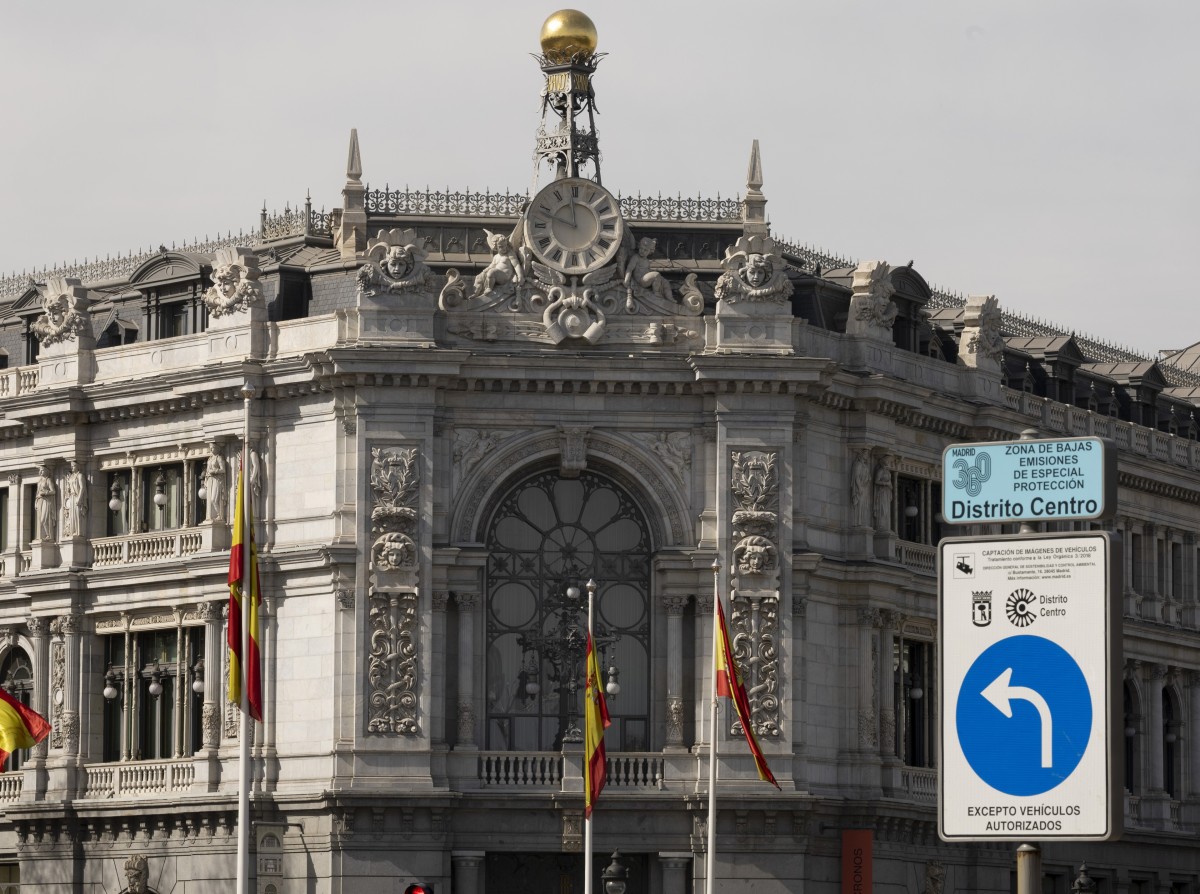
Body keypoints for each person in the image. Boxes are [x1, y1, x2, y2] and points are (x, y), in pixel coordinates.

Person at [61, 460, 87, 539]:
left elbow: (82, 487)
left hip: (77, 497)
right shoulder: (71, 476)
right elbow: (69, 487)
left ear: (78, 467)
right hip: (71, 497)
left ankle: (78, 532)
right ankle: (73, 531)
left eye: (74, 466)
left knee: (77, 514)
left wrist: (79, 498)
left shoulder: (80, 475)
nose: (72, 468)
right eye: (71, 466)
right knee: (71, 516)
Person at [35, 463, 55, 542]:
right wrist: (36, 502)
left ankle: (49, 535)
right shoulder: (39, 481)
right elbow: (37, 492)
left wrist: (46, 493)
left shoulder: (48, 480)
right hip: (40, 500)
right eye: (40, 470)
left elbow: (53, 491)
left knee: (44, 519)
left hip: (46, 501)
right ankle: (42, 536)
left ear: (46, 471)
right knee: (40, 520)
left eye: (42, 470)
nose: (41, 471)